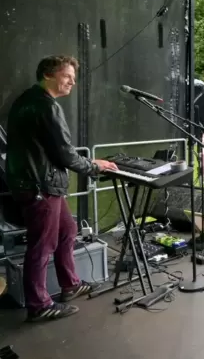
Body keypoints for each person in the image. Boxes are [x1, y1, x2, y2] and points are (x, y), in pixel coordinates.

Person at [6, 55, 119, 322]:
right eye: (67, 75)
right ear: (48, 74)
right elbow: (66, 155)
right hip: (40, 186)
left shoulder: (25, 100)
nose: (72, 81)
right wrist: (95, 165)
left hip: (35, 183)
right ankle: (39, 304)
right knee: (42, 245)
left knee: (68, 229)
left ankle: (70, 284)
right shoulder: (47, 106)